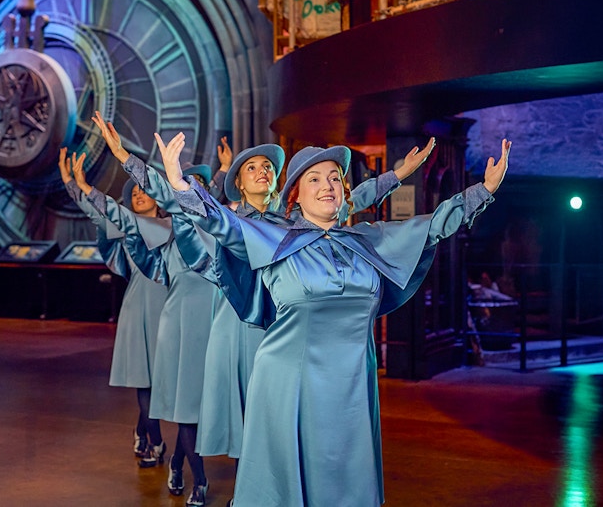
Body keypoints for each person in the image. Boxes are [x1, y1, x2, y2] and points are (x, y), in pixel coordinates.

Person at [158, 131, 510, 506]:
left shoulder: (366, 240)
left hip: (353, 387)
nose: (328, 185)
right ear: (295, 195)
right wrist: (178, 184)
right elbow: (219, 222)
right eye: (314, 179)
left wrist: (483, 190)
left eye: (334, 178)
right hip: (287, 382)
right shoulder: (272, 238)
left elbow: (433, 225)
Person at [173, 137, 432, 469]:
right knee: (244, 411)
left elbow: (351, 199)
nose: (262, 171)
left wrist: (397, 175)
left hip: (288, 325)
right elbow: (201, 249)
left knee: (285, 420)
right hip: (241, 317)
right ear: (236, 183)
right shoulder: (230, 219)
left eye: (268, 165)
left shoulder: (292, 219)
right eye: (251, 167)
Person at [89, 111, 221, 506]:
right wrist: (120, 160)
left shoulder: (222, 227)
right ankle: (195, 477)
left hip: (214, 326)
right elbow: (122, 218)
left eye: (197, 184)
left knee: (203, 407)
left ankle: (178, 462)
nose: (189, 188)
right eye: (184, 183)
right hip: (176, 324)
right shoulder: (168, 230)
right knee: (182, 406)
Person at [57, 148, 168, 465]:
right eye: (133, 192)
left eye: (144, 189)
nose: (138, 195)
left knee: (165, 379)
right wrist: (72, 185)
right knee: (144, 379)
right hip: (138, 308)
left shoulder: (175, 228)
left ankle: (142, 428)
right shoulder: (126, 226)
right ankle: (155, 441)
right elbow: (97, 214)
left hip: (171, 309)